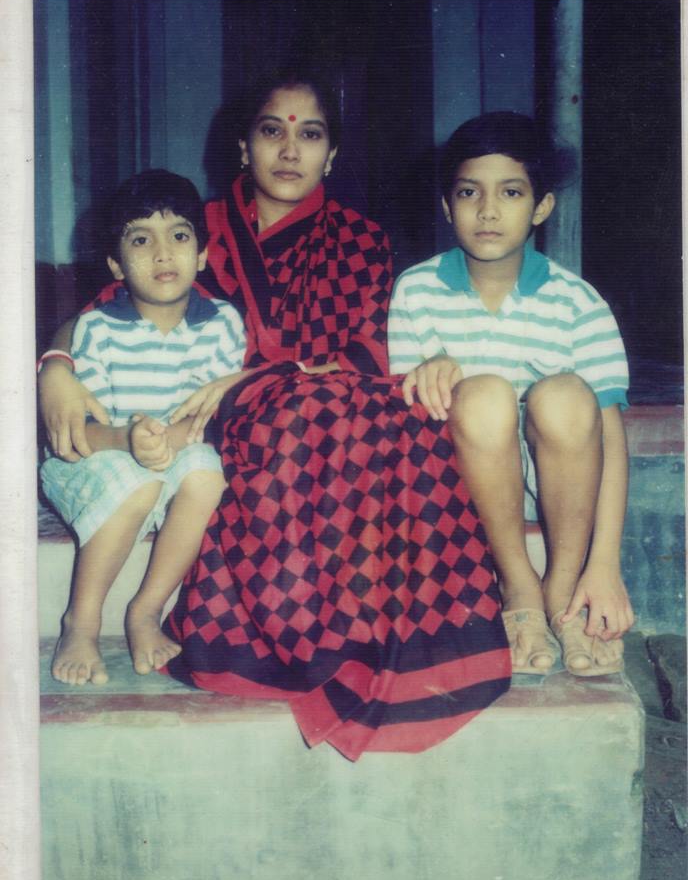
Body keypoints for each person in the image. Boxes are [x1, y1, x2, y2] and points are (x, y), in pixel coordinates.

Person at [38, 70, 511, 760]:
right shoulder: (193, 228)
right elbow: (110, 305)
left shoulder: (360, 240)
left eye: (310, 134)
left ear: (332, 155)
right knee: (302, 414)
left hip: (319, 397)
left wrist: (266, 374)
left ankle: (378, 632)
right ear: (243, 147)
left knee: (387, 420)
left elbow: (364, 352)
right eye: (271, 131)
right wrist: (55, 364)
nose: (290, 150)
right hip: (217, 416)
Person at [389, 111, 634, 678]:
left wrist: (605, 564)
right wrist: (429, 372)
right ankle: (520, 587)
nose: (488, 210)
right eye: (469, 192)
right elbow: (408, 427)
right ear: (447, 206)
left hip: (562, 491)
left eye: (511, 192)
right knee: (483, 394)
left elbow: (611, 444)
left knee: (567, 395)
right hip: (463, 491)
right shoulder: (416, 291)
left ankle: (564, 589)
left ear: (541, 207)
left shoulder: (579, 303)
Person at [40, 169, 246, 685]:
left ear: (202, 254)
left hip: (174, 450)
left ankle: (146, 610)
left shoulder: (222, 323)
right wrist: (129, 442)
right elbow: (82, 433)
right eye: (140, 240)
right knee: (138, 482)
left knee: (207, 472)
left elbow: (210, 415)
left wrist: (164, 442)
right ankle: (81, 620)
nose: (162, 253)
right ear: (115, 264)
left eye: (179, 235)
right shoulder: (97, 329)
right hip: (94, 457)